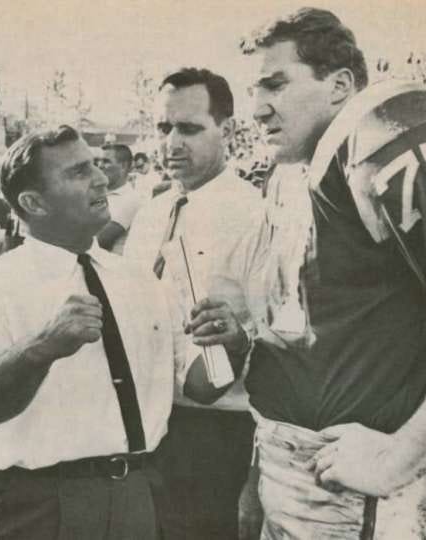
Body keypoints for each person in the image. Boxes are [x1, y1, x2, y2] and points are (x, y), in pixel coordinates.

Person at [218, 7, 426, 539]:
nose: (256, 109)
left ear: (341, 84)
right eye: (252, 91)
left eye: (275, 85)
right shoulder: (291, 172)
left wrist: (401, 455)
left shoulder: (380, 121)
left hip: (360, 489)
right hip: (294, 472)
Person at [0, 125, 248, 540]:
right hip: (39, 505)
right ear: (34, 202)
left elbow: (199, 387)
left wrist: (231, 345)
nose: (102, 178)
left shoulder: (142, 282)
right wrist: (41, 348)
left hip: (140, 496)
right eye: (79, 172)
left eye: (98, 165)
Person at [125, 67, 264, 540]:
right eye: (164, 128)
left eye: (189, 128)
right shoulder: (151, 213)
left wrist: (257, 476)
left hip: (218, 434)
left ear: (225, 130)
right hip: (143, 431)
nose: (171, 143)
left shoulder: (256, 215)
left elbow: (281, 338)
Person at [96, 144, 141, 255]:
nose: (99, 165)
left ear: (123, 166)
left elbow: (100, 241)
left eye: (106, 161)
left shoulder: (131, 199)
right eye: (99, 161)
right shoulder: (97, 194)